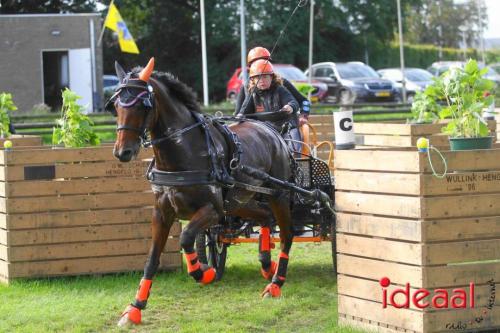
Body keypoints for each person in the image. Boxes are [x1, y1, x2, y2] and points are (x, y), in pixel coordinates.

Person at [235, 47, 310, 126]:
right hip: (258, 130)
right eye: (256, 63)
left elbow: (303, 101)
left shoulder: (281, 83)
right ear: (251, 67)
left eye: (265, 61)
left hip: (283, 126)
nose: (260, 65)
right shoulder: (246, 87)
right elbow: (239, 114)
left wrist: (303, 115)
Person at [237, 60, 300, 146]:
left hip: (286, 128)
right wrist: (239, 116)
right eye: (258, 78)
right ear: (252, 80)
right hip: (264, 130)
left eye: (265, 77)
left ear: (272, 77)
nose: (262, 80)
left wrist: (289, 107)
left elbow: (293, 102)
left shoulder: (280, 89)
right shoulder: (252, 93)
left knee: (294, 148)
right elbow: (243, 112)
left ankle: (295, 158)